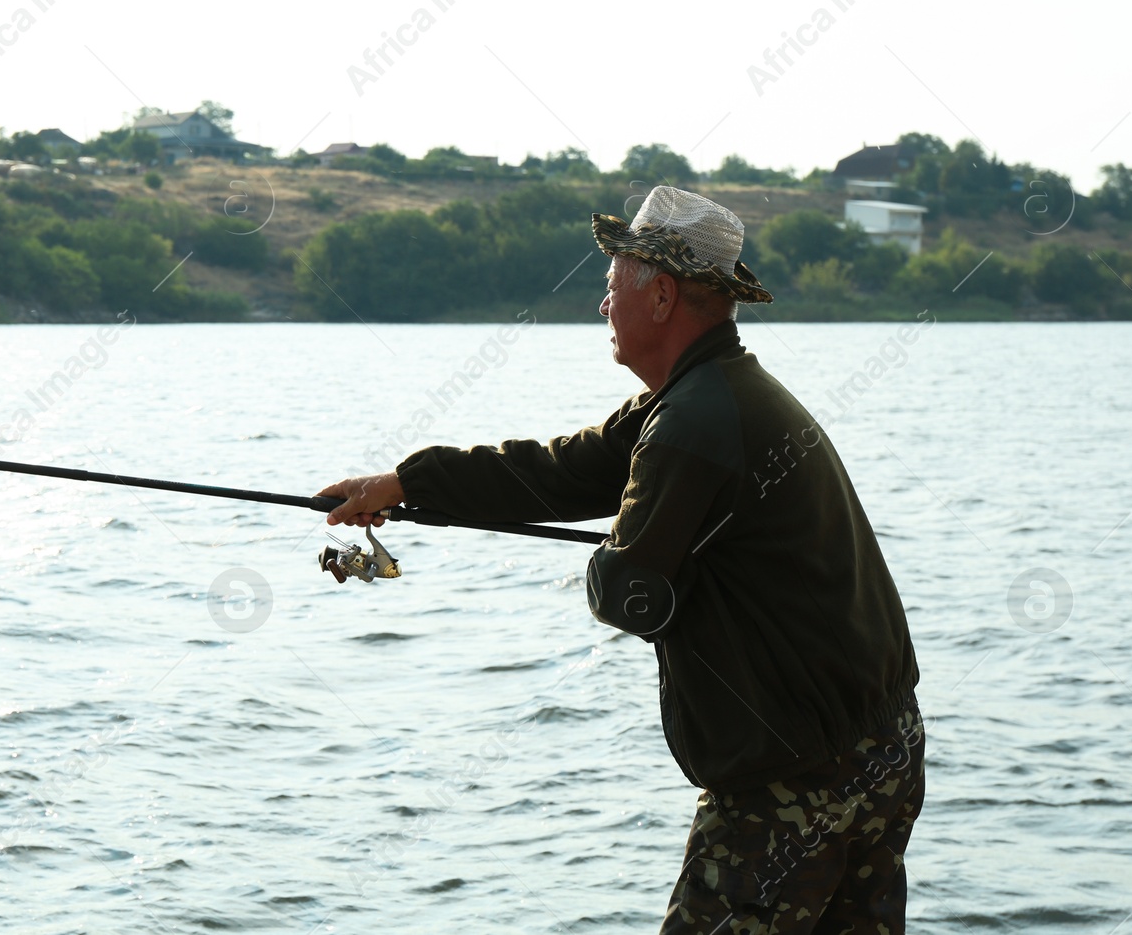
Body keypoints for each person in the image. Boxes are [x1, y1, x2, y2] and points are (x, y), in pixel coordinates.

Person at [319, 186, 923, 934]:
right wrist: (409, 482)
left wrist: (641, 557)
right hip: (883, 745)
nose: (603, 307)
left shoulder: (694, 420)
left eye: (611, 288)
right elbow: (560, 469)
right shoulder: (715, 391)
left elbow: (626, 589)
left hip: (794, 777)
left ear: (662, 295)